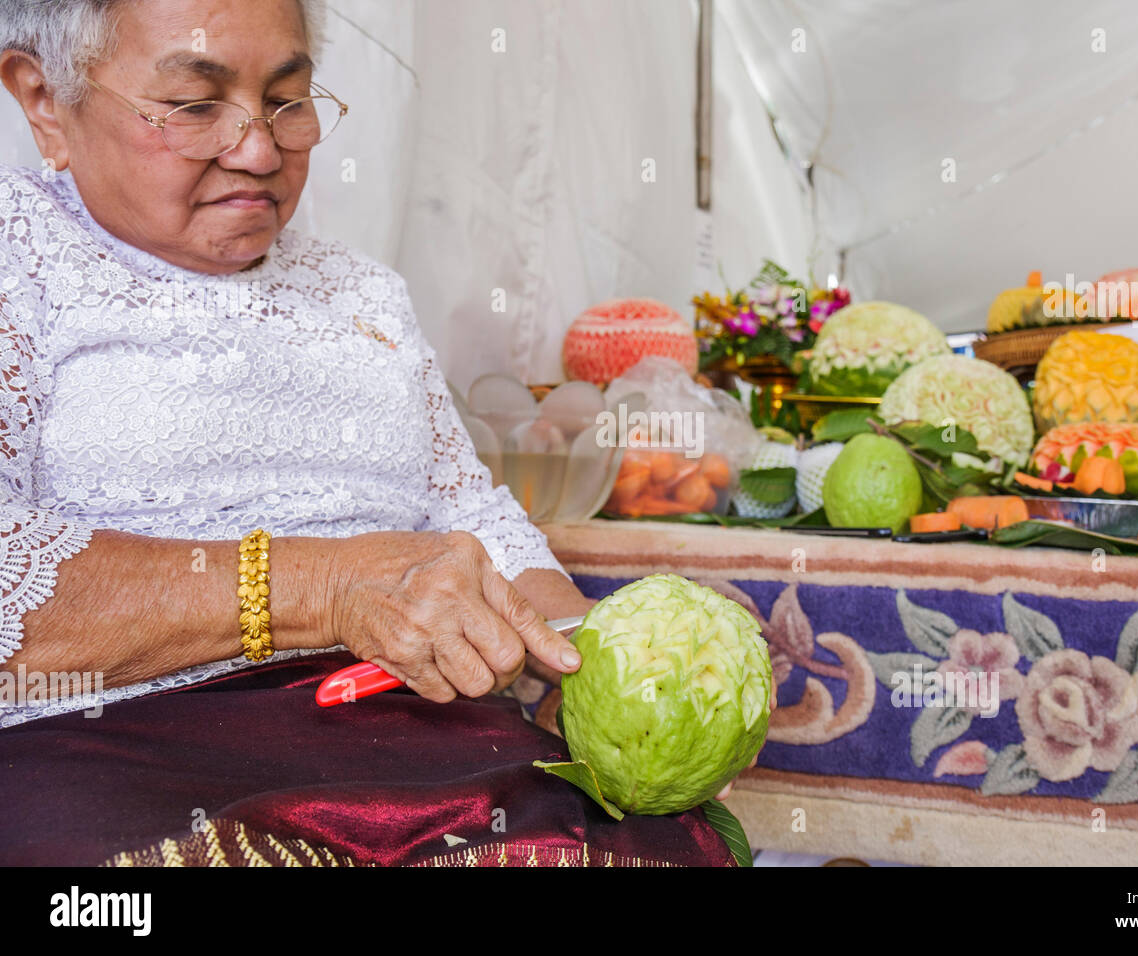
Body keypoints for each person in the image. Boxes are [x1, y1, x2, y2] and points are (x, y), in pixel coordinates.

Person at [0, 0, 744, 866]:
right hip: (123, 745)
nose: (258, 149)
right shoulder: (19, 268)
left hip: (415, 734)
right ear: (44, 99)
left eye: (288, 99)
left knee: (648, 844)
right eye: (196, 105)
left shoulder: (364, 296)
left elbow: (472, 516)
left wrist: (627, 661)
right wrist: (325, 590)